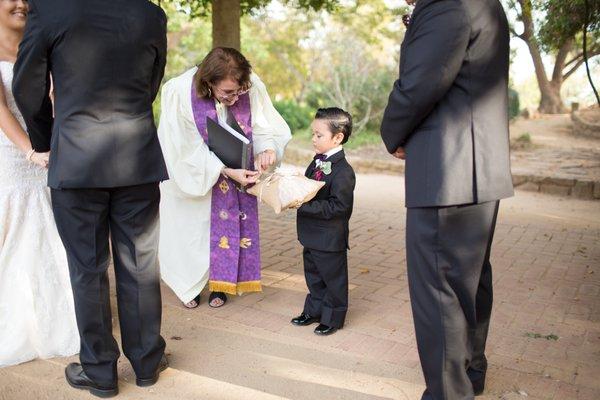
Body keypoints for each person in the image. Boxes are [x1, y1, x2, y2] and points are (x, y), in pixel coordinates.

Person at [12, 0, 169, 397]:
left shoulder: (50, 11)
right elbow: (153, 80)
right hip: (137, 156)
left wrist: (48, 140)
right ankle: (147, 362)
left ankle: (100, 371)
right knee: (140, 263)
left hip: (77, 160)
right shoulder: (150, 13)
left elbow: (26, 86)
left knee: (87, 267)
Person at [380, 0, 514, 398]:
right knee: (469, 281)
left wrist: (393, 133)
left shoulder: (445, 6)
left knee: (439, 292)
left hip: (446, 170)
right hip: (478, 170)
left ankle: (448, 392)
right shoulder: (484, 3)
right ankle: (470, 373)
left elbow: (421, 82)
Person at [158, 47, 291, 309]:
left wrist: (266, 149)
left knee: (228, 228)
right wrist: (224, 170)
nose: (234, 97)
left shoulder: (249, 86)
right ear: (209, 83)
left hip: (235, 177)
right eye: (227, 92)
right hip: (194, 175)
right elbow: (181, 147)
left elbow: (264, 124)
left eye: (238, 90)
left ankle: (222, 284)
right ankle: (190, 286)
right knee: (192, 231)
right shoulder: (180, 91)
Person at [0, 0, 78, 368]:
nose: (21, 4)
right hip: (11, 154)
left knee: (52, 227)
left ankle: (60, 316)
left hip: (50, 151)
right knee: (16, 223)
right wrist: (29, 152)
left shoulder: (45, 40)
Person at [292, 107, 355, 336]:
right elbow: (309, 188)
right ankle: (314, 310)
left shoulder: (343, 171)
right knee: (314, 276)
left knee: (333, 279)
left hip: (329, 238)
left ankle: (333, 317)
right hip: (310, 234)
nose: (313, 139)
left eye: (319, 135)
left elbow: (340, 207)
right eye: (313, 134)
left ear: (337, 137)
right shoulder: (317, 162)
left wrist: (303, 205)